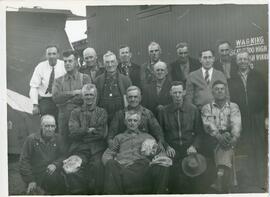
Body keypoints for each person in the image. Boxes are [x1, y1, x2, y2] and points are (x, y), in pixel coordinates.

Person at [158, 81, 210, 194]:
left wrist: (194, 146)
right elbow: (160, 134)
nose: (177, 95)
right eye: (175, 92)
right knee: (174, 177)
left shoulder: (193, 110)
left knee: (196, 173)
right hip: (172, 150)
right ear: (170, 93)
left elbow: (199, 133)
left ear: (184, 93)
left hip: (189, 149)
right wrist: (166, 147)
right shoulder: (164, 111)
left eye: (179, 92)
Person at [102, 110, 169, 194]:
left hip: (142, 167)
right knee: (110, 163)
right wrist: (112, 160)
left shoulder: (147, 137)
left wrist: (157, 156)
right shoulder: (119, 137)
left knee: (161, 166)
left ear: (139, 122)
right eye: (129, 120)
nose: (132, 123)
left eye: (135, 120)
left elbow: (159, 152)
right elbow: (107, 154)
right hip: (123, 167)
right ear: (125, 122)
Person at [228, 51, 267, 190]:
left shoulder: (258, 75)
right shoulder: (232, 79)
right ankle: (249, 181)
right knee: (246, 147)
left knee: (260, 147)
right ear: (237, 61)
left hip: (257, 117)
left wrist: (266, 116)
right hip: (241, 117)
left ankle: (262, 179)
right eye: (240, 59)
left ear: (249, 60)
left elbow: (266, 96)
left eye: (245, 58)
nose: (243, 61)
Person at [64, 83, 107, 194]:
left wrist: (81, 132)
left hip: (97, 149)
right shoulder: (75, 112)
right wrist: (88, 130)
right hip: (79, 148)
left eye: (91, 95)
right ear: (82, 96)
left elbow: (101, 134)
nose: (88, 97)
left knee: (97, 167)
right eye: (86, 95)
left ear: (95, 96)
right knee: (73, 167)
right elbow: (72, 133)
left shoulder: (101, 112)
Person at [201, 80, 241, 193]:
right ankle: (230, 184)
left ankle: (220, 176)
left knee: (227, 144)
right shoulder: (206, 108)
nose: (219, 91)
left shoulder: (233, 106)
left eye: (222, 89)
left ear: (226, 91)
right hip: (212, 139)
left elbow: (236, 124)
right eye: (217, 89)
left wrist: (233, 138)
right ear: (212, 92)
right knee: (225, 148)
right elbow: (209, 126)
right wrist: (220, 137)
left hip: (230, 138)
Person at [52, 50, 91, 151]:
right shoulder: (58, 81)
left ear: (76, 62)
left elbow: (87, 97)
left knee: (81, 144)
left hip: (80, 116)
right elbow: (56, 98)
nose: (67, 64)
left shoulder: (85, 78)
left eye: (70, 61)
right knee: (64, 145)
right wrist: (74, 93)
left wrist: (65, 99)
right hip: (63, 117)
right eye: (65, 61)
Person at [19, 115, 66, 195]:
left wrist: (55, 164)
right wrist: (30, 180)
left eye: (52, 126)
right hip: (36, 175)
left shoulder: (58, 138)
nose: (50, 129)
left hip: (52, 174)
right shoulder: (31, 139)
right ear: (41, 126)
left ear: (55, 127)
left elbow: (64, 156)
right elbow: (23, 161)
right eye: (47, 126)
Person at [109, 85, 166, 150]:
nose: (133, 99)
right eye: (130, 97)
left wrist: (160, 143)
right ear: (126, 98)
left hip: (144, 148)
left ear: (140, 98)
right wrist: (111, 143)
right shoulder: (119, 114)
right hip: (125, 148)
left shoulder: (147, 113)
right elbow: (111, 135)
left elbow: (158, 132)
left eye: (135, 97)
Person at [29, 45, 66, 119]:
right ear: (46, 55)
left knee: (62, 121)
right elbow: (33, 87)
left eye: (54, 54)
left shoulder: (64, 65)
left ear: (58, 55)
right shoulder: (40, 66)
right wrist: (35, 105)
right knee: (47, 122)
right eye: (49, 54)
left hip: (61, 98)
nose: (51, 56)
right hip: (46, 99)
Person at [95, 51, 132, 123]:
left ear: (117, 63)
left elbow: (130, 101)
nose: (110, 65)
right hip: (103, 117)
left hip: (121, 116)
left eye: (112, 61)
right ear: (103, 64)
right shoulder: (98, 81)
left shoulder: (125, 80)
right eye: (107, 62)